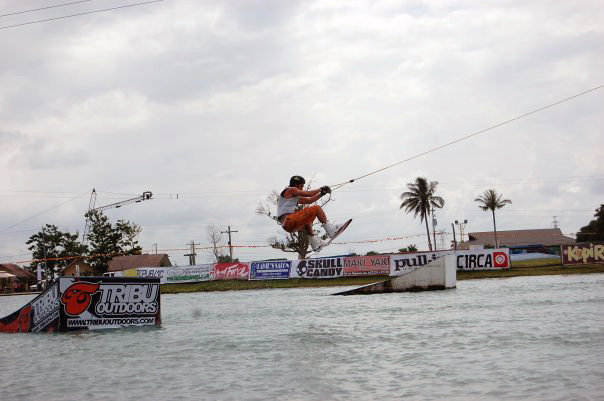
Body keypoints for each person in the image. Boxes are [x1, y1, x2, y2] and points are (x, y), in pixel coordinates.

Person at [277, 175, 343, 251]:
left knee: (307, 221)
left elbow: (309, 200)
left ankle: (315, 244)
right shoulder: (291, 189)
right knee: (317, 208)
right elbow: (309, 194)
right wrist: (321, 188)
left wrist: (322, 194)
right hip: (289, 220)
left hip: (288, 227)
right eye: (301, 186)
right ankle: (331, 230)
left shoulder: (291, 196)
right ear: (295, 184)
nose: (302, 189)